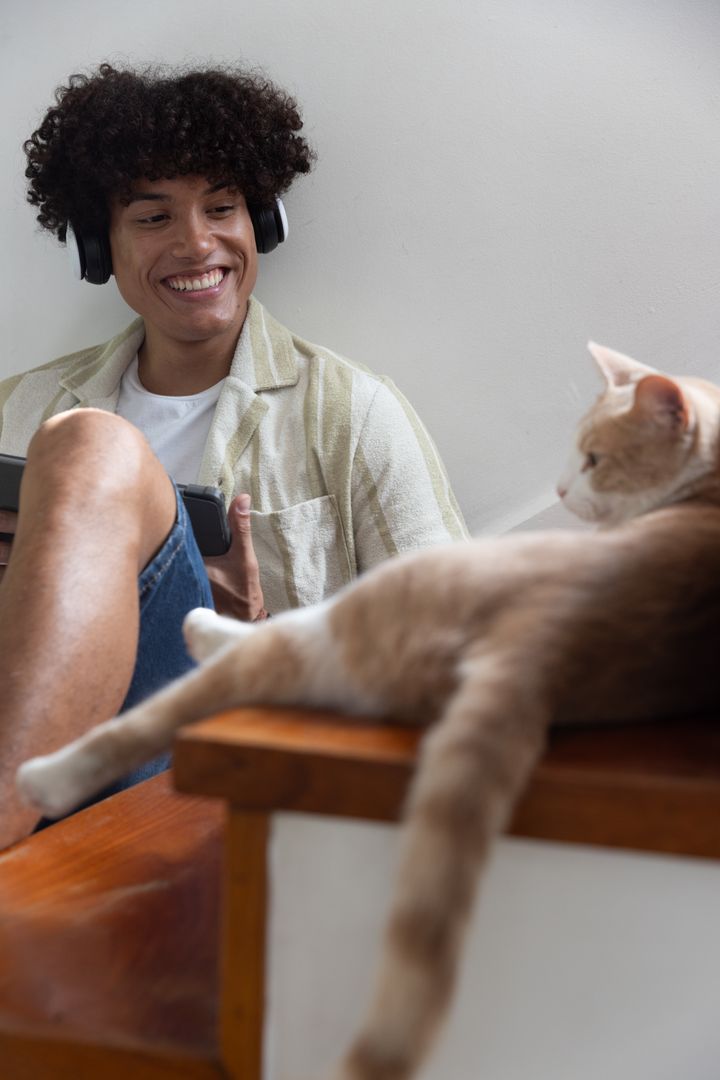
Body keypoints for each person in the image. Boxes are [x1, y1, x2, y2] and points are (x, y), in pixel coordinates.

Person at [0, 63, 467, 847]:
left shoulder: (350, 413)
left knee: (89, 450)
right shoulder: (18, 410)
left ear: (262, 225)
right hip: (53, 759)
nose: (196, 243)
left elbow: (458, 668)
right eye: (153, 218)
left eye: (222, 208)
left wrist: (266, 651)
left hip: (230, 774)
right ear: (97, 246)